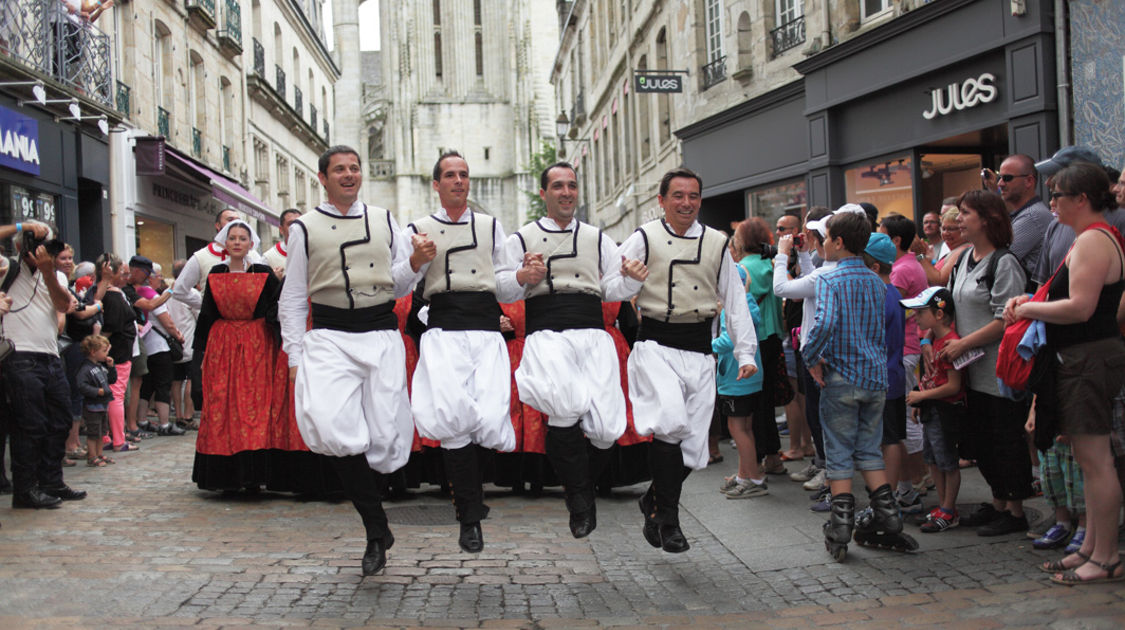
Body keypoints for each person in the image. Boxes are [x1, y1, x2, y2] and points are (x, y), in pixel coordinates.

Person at [280, 145, 429, 576]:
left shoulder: (385, 220)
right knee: (330, 425)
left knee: (384, 439)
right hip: (328, 336)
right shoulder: (303, 229)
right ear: (323, 178)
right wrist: (294, 354)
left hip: (380, 334)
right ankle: (376, 527)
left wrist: (417, 262)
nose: (348, 175)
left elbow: (399, 279)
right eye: (339, 170)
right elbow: (292, 299)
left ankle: (376, 525)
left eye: (354, 168)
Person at [607, 167, 757, 554]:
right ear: (662, 200)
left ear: (700, 200)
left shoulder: (717, 242)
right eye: (677, 195)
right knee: (670, 423)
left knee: (693, 449)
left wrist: (745, 352)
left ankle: (653, 499)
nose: (686, 203)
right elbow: (610, 285)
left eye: (693, 196)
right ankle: (669, 520)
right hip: (656, 343)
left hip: (699, 348)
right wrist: (630, 280)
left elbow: (735, 299)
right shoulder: (644, 237)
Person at [1006, 162, 1125, 584]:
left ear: (1083, 200)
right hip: (1081, 356)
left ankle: (1106, 555)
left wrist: (1026, 307)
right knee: (1088, 459)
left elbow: (1081, 307)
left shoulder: (1094, 240)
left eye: (1058, 195)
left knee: (1096, 461)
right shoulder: (1087, 239)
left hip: (1087, 357)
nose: (1051, 202)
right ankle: (1093, 545)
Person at [406, 150, 525, 553]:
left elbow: (506, 285)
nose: (459, 181)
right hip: (444, 330)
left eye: (464, 175)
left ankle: (468, 496)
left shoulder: (492, 227)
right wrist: (413, 261)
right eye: (450, 175)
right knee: (455, 423)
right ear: (436, 185)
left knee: (490, 420)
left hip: (486, 330)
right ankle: (470, 516)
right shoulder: (419, 229)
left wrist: (524, 277)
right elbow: (400, 284)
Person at [508, 162, 632, 538]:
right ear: (543, 193)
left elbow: (612, 289)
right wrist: (521, 277)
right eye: (558, 186)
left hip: (593, 333)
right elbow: (501, 288)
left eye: (572, 186)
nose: (566, 192)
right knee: (563, 411)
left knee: (608, 429)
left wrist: (630, 280)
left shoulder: (598, 238)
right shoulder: (521, 238)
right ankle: (580, 499)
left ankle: (579, 488)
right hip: (548, 331)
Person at [803, 211, 902, 560]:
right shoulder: (877, 282)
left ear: (839, 242)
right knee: (869, 450)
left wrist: (810, 355)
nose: (824, 244)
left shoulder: (830, 280)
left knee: (840, 451)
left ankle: (841, 524)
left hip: (842, 377)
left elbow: (825, 321)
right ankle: (889, 515)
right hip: (875, 378)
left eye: (827, 238)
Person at [940, 190, 1032, 536]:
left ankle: (1015, 509)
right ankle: (997, 503)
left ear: (987, 219)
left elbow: (1006, 318)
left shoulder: (1004, 262)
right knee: (981, 440)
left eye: (965, 213)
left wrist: (963, 343)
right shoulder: (964, 259)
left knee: (1005, 438)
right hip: (970, 371)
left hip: (999, 371)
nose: (958, 220)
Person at [0, 220, 86, 509]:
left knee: (60, 421)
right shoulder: (6, 267)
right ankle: (25, 490)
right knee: (29, 426)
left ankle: (51, 481)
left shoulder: (56, 276)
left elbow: (63, 306)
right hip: (18, 355)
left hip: (49, 355)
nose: (41, 250)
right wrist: (20, 225)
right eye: (35, 244)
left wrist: (48, 270)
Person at [773, 206, 836, 496]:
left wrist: (782, 255)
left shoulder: (829, 274)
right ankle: (825, 466)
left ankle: (831, 475)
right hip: (814, 352)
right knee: (815, 411)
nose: (806, 240)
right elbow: (809, 277)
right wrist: (801, 255)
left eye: (812, 237)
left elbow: (782, 289)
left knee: (823, 416)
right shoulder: (824, 269)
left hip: (820, 355)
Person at [877, 214, 929, 513]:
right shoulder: (909, 264)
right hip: (908, 350)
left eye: (883, 235)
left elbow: (894, 314)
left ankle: (910, 486)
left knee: (904, 425)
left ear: (895, 240)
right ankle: (910, 486)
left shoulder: (899, 272)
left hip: (903, 352)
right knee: (905, 423)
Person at [902, 288, 965, 533]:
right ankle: (942, 506)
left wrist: (922, 396)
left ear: (939, 315)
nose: (915, 317)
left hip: (945, 411)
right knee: (933, 460)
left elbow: (953, 385)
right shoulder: (933, 341)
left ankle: (949, 510)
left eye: (920, 312)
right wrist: (922, 402)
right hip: (932, 409)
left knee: (947, 461)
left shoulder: (951, 344)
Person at [733, 217, 787, 476]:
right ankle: (773, 455)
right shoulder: (772, 264)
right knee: (768, 400)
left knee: (754, 402)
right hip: (775, 335)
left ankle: (754, 462)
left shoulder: (742, 268)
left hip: (754, 338)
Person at [862, 232, 908, 519]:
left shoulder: (879, 295)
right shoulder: (894, 293)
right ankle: (885, 497)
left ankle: (886, 499)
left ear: (875, 268)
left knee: (889, 439)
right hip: (890, 375)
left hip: (884, 378)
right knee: (886, 439)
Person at [715, 264, 766, 498]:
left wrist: (706, 347)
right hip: (749, 377)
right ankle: (746, 473)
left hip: (736, 377)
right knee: (745, 427)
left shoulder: (734, 306)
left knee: (737, 428)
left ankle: (752, 478)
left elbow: (729, 338)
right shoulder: (749, 302)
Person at [131, 257, 186, 437]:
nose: (160, 280)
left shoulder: (136, 292)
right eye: (159, 277)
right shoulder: (150, 295)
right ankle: (164, 424)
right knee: (163, 384)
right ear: (150, 277)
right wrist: (178, 335)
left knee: (147, 385)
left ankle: (142, 420)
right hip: (159, 346)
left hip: (145, 345)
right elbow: (166, 321)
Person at [775, 212, 812, 463]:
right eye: (777, 229)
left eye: (784, 230)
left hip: (800, 333)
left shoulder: (803, 257)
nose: (780, 235)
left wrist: (781, 260)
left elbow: (792, 292)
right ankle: (805, 445)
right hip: (794, 331)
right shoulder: (795, 258)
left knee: (797, 395)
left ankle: (800, 445)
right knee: (799, 393)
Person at [89, 254, 136, 453]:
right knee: (115, 395)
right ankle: (118, 439)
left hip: (115, 350)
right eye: (122, 272)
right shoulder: (112, 296)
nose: (126, 276)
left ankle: (108, 436)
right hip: (117, 352)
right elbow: (112, 326)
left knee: (109, 394)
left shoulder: (107, 294)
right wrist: (101, 346)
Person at [983, 154, 1054, 276]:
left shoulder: (1032, 217)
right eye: (999, 177)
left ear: (1029, 181)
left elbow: (993, 260)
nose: (1000, 183)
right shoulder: (1026, 213)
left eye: (1007, 178)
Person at [167, 259, 200, 429]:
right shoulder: (190, 293)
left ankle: (178, 414)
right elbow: (199, 315)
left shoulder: (166, 293)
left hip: (173, 343)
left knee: (176, 380)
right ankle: (188, 414)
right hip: (188, 342)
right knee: (190, 380)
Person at [76, 334, 115, 467]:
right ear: (93, 352)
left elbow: (112, 379)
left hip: (102, 405)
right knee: (93, 433)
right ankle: (92, 456)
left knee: (101, 432)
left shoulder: (100, 366)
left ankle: (99, 453)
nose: (106, 354)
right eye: (104, 351)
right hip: (92, 405)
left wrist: (111, 367)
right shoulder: (86, 368)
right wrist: (97, 391)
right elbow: (81, 385)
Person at [917, 202, 970, 287]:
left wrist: (920, 255)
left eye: (951, 229)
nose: (946, 233)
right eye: (943, 229)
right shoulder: (954, 249)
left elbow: (939, 281)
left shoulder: (963, 249)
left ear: (963, 229)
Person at [263, 209, 301, 278]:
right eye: (290, 224)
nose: (295, 227)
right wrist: (273, 279)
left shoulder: (313, 252)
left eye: (299, 223)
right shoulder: (268, 258)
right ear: (281, 229)